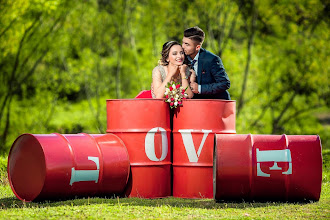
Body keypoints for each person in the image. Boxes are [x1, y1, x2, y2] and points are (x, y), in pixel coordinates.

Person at [182, 26, 231, 100]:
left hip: (215, 103)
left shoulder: (211, 59)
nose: (183, 46)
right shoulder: (181, 57)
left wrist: (200, 88)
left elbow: (224, 83)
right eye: (183, 42)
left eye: (187, 44)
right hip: (193, 104)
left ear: (198, 47)